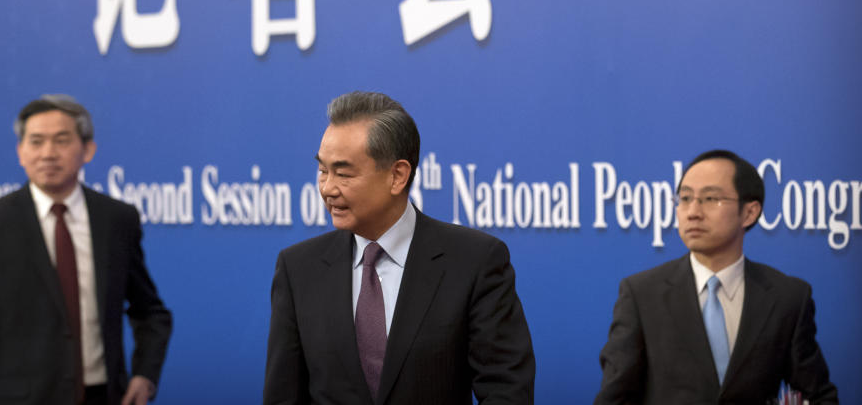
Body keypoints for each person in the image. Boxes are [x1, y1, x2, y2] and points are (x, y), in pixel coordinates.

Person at [263, 91, 535, 404]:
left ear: (397, 176)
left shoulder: (474, 262)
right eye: (323, 170)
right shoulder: (298, 269)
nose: (327, 188)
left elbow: (507, 391)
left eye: (343, 172)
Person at [0, 95, 172, 405]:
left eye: (61, 141)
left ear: (88, 149)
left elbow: (151, 312)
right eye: (36, 142)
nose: (47, 153)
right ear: (21, 152)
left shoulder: (117, 220)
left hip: (102, 396)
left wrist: (145, 375)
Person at [594, 149, 838, 404]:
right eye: (685, 198)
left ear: (749, 213)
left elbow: (819, 395)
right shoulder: (642, 295)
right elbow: (614, 398)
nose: (693, 212)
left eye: (710, 198)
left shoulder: (788, 298)